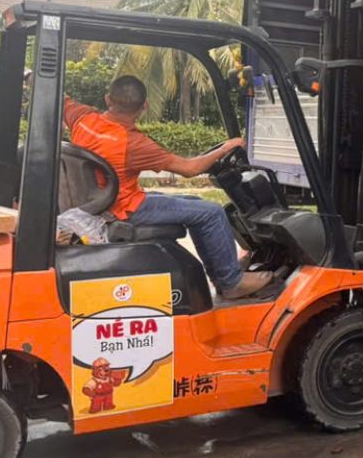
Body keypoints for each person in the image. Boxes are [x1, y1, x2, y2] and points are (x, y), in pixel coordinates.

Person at [63, 75, 273, 300]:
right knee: (212, 212)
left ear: (108, 99)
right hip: (123, 210)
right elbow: (190, 169)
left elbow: (61, 99)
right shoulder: (134, 144)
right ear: (145, 106)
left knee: (196, 204)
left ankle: (223, 271)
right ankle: (232, 283)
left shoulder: (82, 118)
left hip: (100, 204)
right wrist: (225, 148)